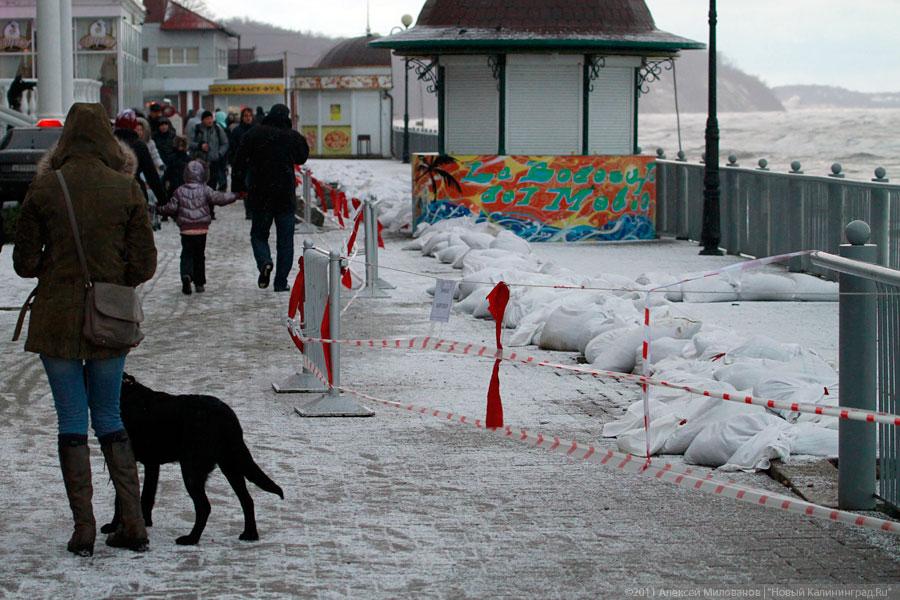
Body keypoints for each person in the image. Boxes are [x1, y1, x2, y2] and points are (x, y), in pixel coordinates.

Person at [12, 102, 156, 556]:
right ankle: (132, 524)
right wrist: (111, 286)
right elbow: (145, 263)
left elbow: (24, 262)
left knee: (71, 421)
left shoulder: (44, 188)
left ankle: (84, 529)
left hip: (56, 319)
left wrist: (58, 273)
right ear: (108, 140)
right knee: (110, 417)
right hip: (109, 321)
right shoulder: (125, 187)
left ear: (66, 139)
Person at [234, 103, 309, 292]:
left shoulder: (253, 134)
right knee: (285, 241)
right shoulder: (291, 136)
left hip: (260, 194)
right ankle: (281, 282)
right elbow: (302, 157)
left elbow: (239, 160)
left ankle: (264, 262)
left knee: (259, 235)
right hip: (284, 196)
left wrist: (239, 186)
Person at [157, 160, 236, 295]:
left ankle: (186, 275)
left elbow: (172, 207)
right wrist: (234, 196)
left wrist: (159, 209)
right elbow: (219, 198)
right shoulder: (206, 189)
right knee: (199, 255)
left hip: (186, 229)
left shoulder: (179, 191)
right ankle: (199, 283)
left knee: (187, 253)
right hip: (201, 228)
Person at [113, 110, 167, 220]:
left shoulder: (110, 144)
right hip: (137, 192)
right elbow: (151, 175)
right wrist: (163, 201)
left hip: (114, 193)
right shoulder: (139, 145)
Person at [190, 110, 229, 193]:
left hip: (214, 162)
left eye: (211, 118)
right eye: (207, 118)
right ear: (202, 120)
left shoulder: (217, 129)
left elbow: (225, 143)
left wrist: (219, 153)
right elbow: (190, 143)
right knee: (199, 186)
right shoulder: (197, 129)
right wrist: (200, 146)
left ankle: (210, 205)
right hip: (199, 163)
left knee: (212, 187)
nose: (210, 120)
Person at [228, 107, 256, 218]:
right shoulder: (237, 131)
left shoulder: (257, 129)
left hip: (255, 163)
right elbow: (233, 147)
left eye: (249, 116)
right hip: (242, 164)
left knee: (254, 187)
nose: (248, 118)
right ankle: (249, 211)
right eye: (245, 116)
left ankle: (254, 209)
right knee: (246, 187)